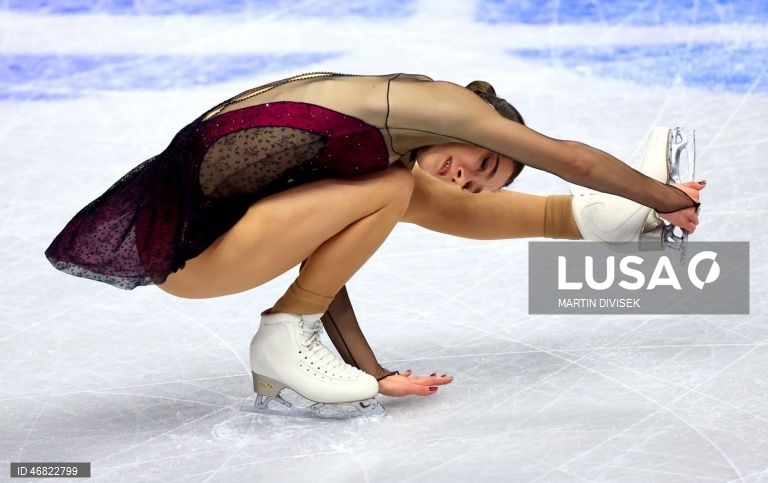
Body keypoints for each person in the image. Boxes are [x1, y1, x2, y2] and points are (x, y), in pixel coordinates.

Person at [45, 72, 703, 416]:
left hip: (214, 237)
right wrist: (664, 197)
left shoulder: (398, 119)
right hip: (194, 252)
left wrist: (373, 371)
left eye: (480, 184)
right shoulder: (445, 110)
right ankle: (618, 211)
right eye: (481, 161)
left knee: (402, 188)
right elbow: (570, 157)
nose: (467, 177)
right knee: (397, 186)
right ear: (484, 129)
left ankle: (595, 221)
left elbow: (324, 258)